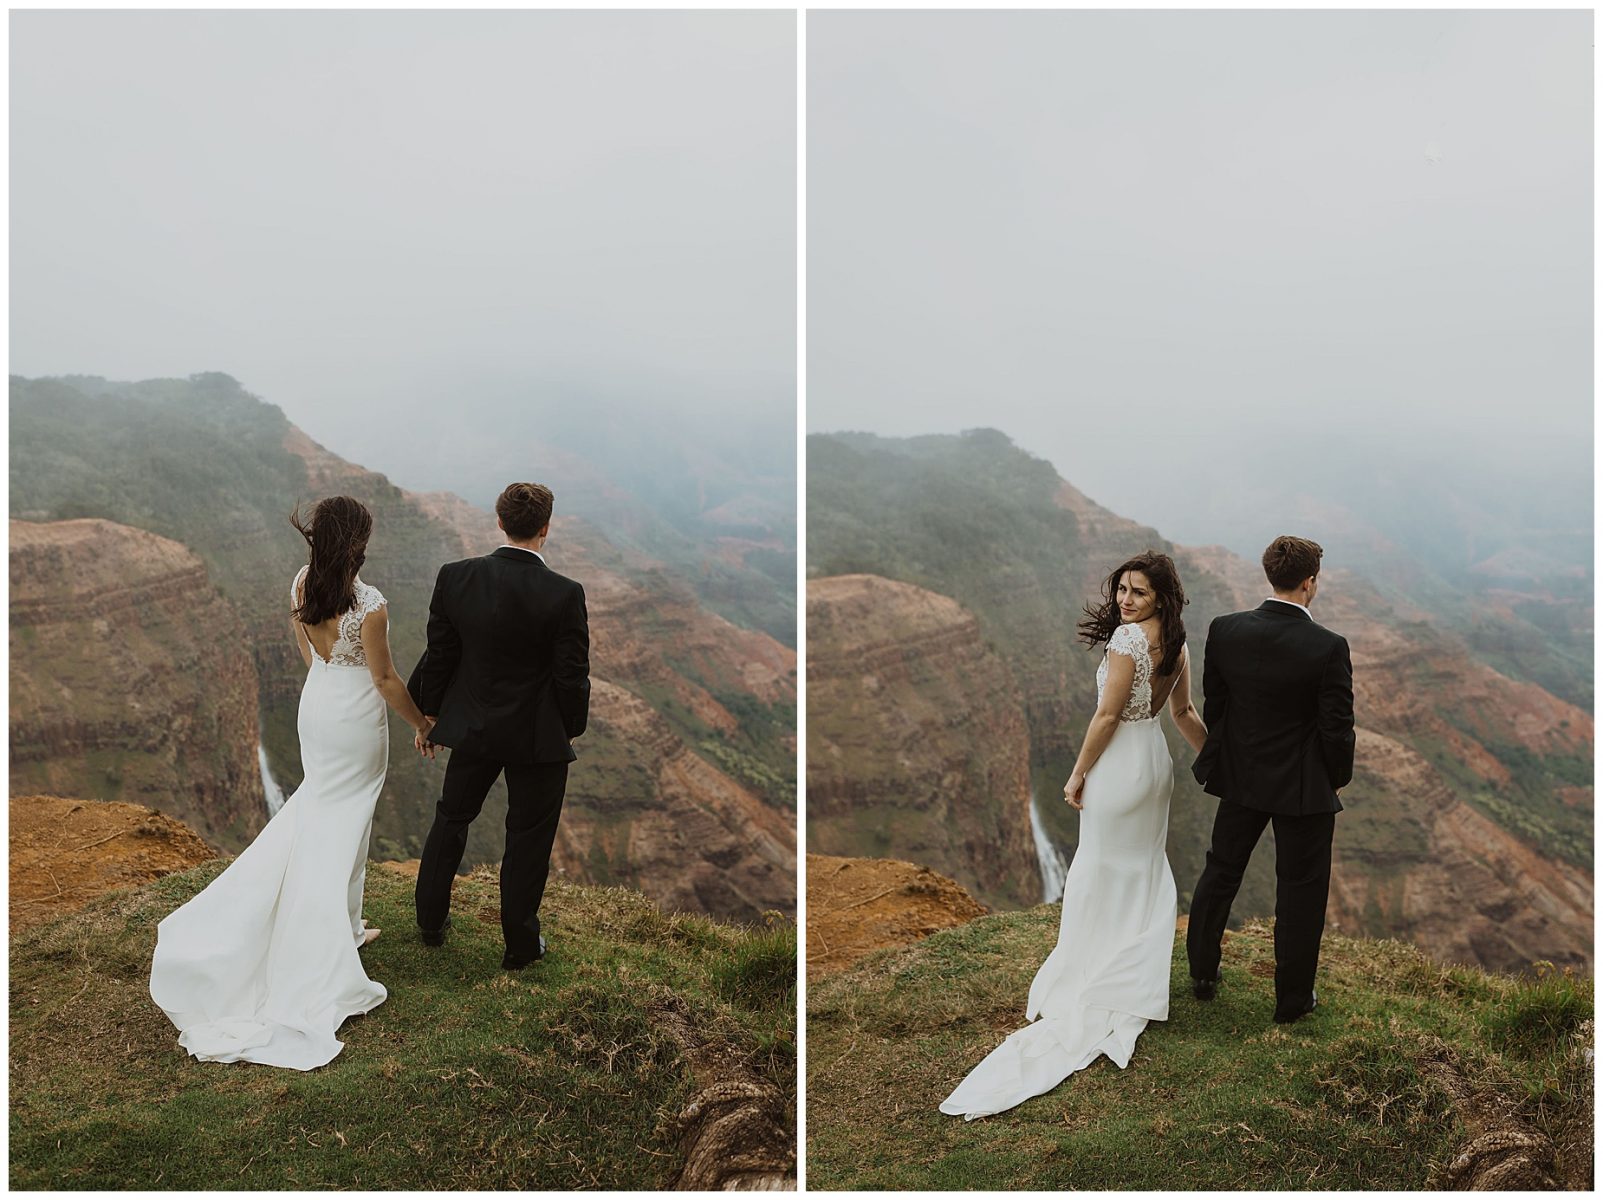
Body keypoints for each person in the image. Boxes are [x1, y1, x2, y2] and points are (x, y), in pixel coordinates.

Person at [149, 495, 436, 1070]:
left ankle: (350, 924)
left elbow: (309, 653)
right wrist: (423, 723)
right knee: (347, 820)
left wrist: (328, 683)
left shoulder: (302, 583)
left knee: (325, 813)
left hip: (319, 703)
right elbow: (383, 678)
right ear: (358, 541)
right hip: (356, 717)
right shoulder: (371, 604)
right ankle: (332, 933)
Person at [941, 550, 1206, 1119]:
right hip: (1155, 766)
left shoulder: (1127, 643)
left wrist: (1079, 771)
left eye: (1137, 592)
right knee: (1139, 868)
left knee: (1099, 866)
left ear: (1160, 595)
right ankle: (1132, 971)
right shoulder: (1179, 643)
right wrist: (1219, 761)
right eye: (1121, 590)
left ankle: (1096, 973)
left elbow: (1107, 717)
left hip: (1118, 765)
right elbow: (1183, 716)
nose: (1124, 601)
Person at [407, 481, 590, 970]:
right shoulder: (565, 594)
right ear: (545, 529)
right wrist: (570, 728)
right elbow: (571, 675)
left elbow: (441, 653)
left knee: (452, 817)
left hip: (473, 729)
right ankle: (520, 947)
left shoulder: (456, 577)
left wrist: (429, 716)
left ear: (500, 522)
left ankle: (429, 921)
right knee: (527, 838)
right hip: (536, 738)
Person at [1186, 534, 1354, 1023]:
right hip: (1303, 789)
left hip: (1240, 777)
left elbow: (1217, 706)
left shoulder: (1225, 630)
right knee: (1300, 891)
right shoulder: (1328, 647)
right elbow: (1337, 729)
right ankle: (1292, 1001)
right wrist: (1335, 779)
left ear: (1270, 575)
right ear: (1310, 582)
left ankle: (1202, 972)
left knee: (1220, 871)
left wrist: (1232, 755)